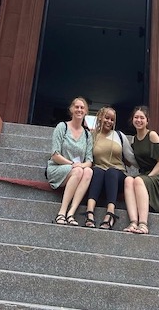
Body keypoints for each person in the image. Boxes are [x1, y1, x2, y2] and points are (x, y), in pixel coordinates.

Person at [84, 106, 137, 230]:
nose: (109, 121)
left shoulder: (119, 136)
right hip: (98, 176)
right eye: (107, 118)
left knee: (111, 172)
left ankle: (110, 213)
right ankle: (89, 212)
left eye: (112, 119)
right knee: (98, 171)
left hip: (117, 175)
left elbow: (132, 158)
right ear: (100, 118)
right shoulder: (92, 136)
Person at [123, 105, 159, 234]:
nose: (138, 120)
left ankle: (143, 224)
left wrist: (148, 177)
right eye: (136, 117)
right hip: (144, 174)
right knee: (128, 180)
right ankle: (133, 222)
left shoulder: (152, 135)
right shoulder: (133, 139)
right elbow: (136, 161)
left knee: (138, 180)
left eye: (142, 118)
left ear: (147, 120)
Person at [46, 96, 93, 226]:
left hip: (76, 170)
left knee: (88, 171)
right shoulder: (62, 127)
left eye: (82, 107)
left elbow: (89, 160)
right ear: (71, 109)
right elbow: (55, 154)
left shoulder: (88, 135)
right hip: (58, 168)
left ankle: (71, 213)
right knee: (78, 171)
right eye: (76, 107)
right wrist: (72, 164)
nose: (79, 109)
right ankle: (62, 212)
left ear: (86, 111)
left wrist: (81, 165)